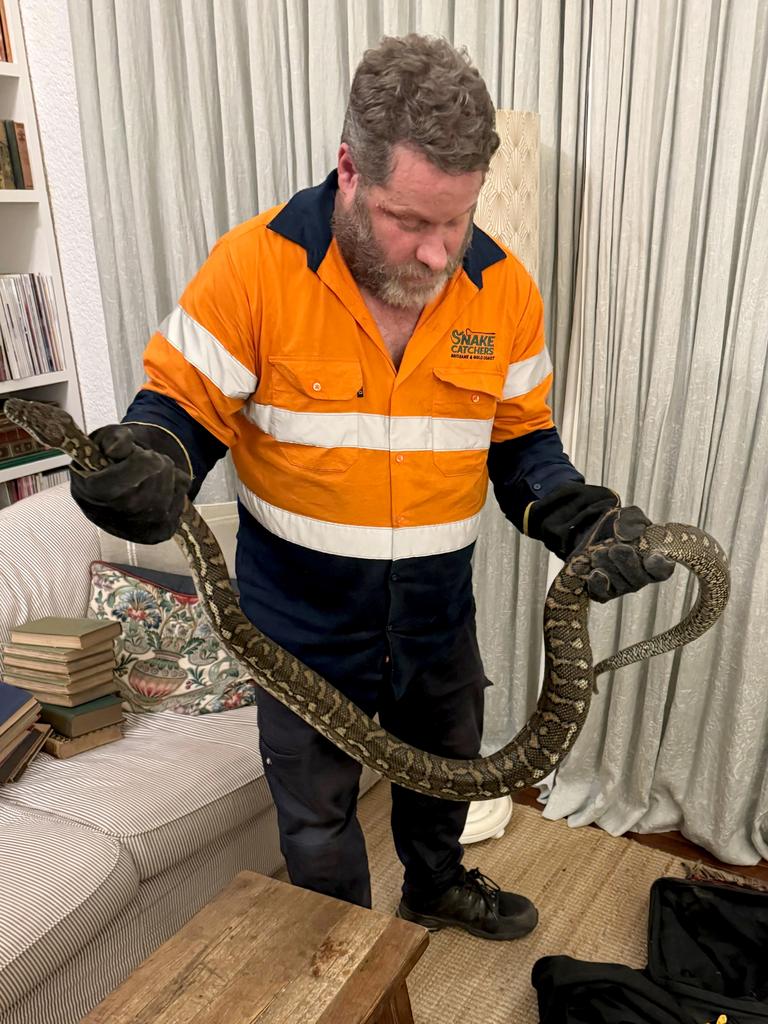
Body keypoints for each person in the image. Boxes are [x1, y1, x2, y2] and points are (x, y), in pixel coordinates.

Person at [71, 34, 674, 941]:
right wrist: (146, 465)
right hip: (300, 620)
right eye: (410, 220)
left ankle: (434, 885)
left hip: (436, 609)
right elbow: (178, 413)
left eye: (457, 220)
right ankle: (345, 950)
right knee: (317, 817)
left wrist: (578, 518)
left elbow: (522, 445)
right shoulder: (254, 266)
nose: (437, 255)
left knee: (445, 769)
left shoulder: (504, 289)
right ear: (348, 169)